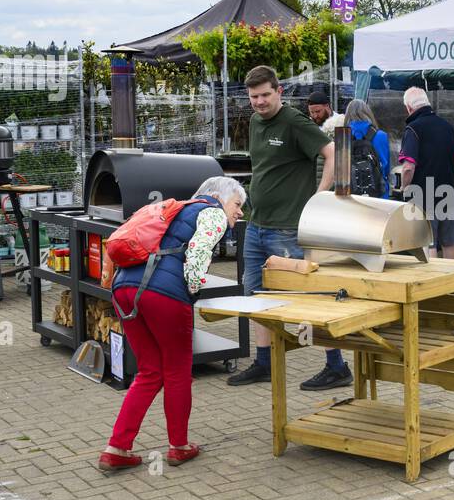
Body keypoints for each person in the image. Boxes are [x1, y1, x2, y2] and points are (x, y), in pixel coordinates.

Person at [99, 176, 246, 472]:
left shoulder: (176, 209)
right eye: (238, 204)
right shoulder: (213, 212)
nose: (240, 211)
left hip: (124, 288)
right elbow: (198, 255)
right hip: (162, 293)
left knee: (149, 371)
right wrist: (193, 290)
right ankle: (179, 446)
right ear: (220, 197)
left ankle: (116, 449)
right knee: (177, 371)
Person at [227, 65, 353, 391]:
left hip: (288, 230)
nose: (259, 102)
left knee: (308, 298)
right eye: (254, 97)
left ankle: (337, 366)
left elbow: (334, 153)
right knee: (254, 295)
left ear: (279, 91)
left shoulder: (295, 122)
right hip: (256, 225)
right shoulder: (255, 122)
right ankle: (264, 362)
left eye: (265, 95)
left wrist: (319, 196)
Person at [398, 86, 454, 258]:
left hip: (423, 194)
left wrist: (404, 187)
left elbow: (408, 167)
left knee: (428, 242)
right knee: (449, 243)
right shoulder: (446, 126)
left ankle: (431, 277)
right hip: (448, 192)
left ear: (409, 108)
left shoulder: (413, 129)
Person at [344, 97, 390, 199]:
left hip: (350, 195)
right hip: (378, 194)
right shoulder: (381, 135)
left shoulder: (342, 136)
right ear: (368, 113)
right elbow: (385, 167)